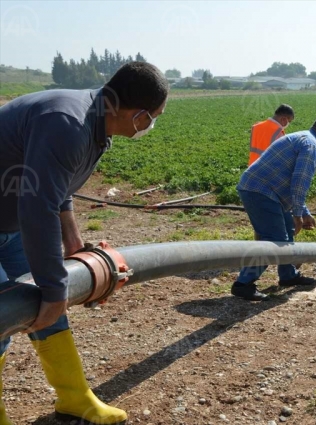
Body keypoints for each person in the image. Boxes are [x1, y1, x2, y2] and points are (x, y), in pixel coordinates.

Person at [0, 61, 169, 425]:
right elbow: (38, 206)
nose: (150, 126)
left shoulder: (94, 125)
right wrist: (57, 288)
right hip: (16, 216)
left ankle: (75, 398)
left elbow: (57, 191)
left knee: (44, 306)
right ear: (137, 114)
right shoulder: (67, 123)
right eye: (152, 117)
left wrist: (73, 244)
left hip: (8, 224)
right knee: (5, 313)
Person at [232, 118, 316, 301]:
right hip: (261, 191)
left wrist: (303, 212)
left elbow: (293, 184)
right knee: (274, 240)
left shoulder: (303, 137)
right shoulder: (311, 146)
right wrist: (297, 214)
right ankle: (243, 284)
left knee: (287, 231)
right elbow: (299, 183)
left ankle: (288, 274)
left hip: (265, 191)